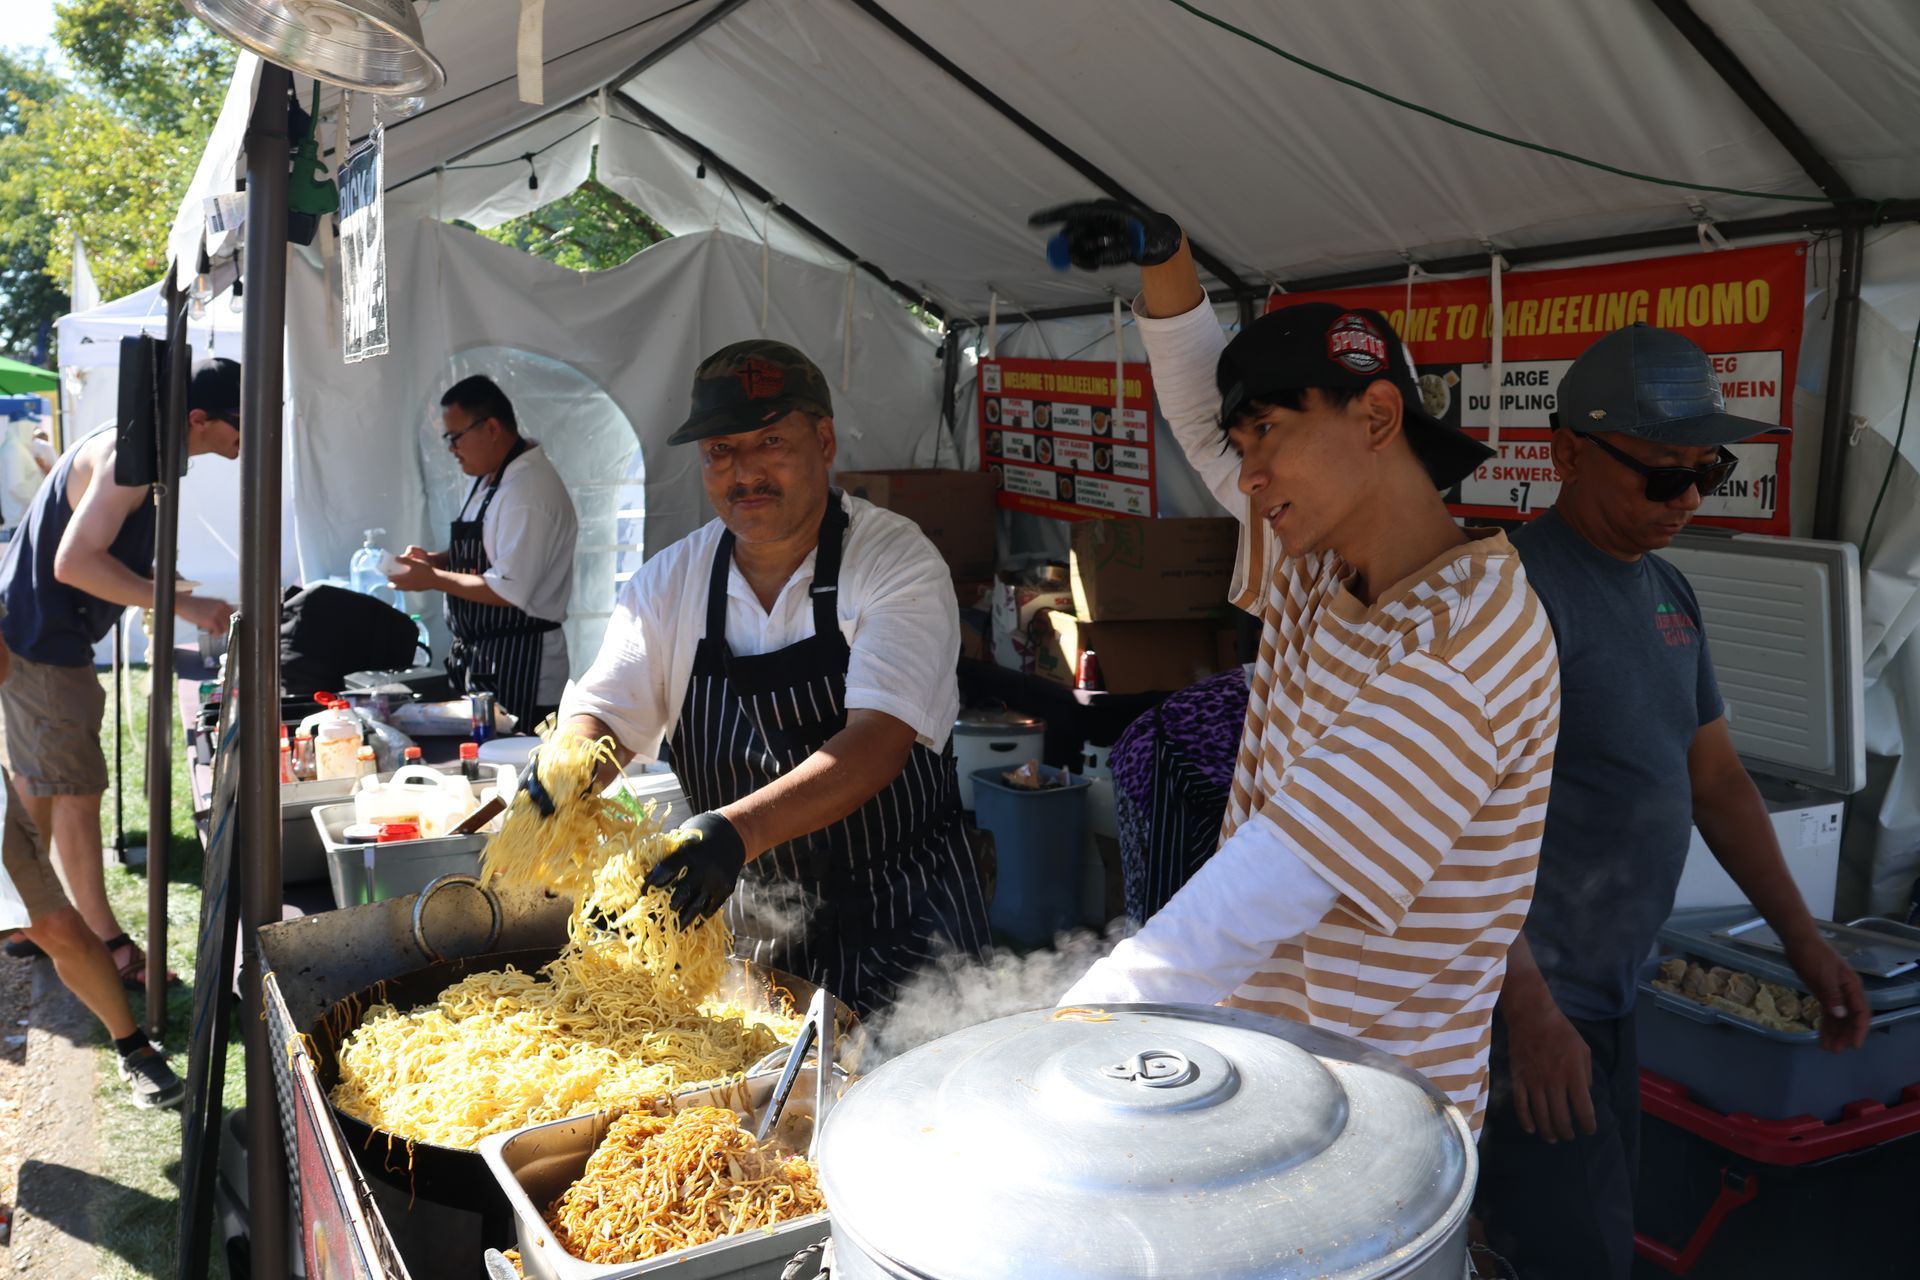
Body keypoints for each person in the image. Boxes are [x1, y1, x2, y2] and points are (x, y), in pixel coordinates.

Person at [1039, 200, 1560, 1133]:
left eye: (1268, 436)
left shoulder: (1465, 645)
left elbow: (1274, 877)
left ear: (1378, 416)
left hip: (1376, 1125)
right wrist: (1167, 258)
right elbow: (1206, 412)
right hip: (1276, 1079)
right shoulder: (1317, 560)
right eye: (1242, 450)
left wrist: (1057, 1041)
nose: (1245, 476)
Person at [1473, 324, 1870, 1279]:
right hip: (1517, 1007)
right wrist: (1526, 1014)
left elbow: (1716, 780)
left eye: (1709, 470)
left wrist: (1804, 943)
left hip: (1611, 998)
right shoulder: (1503, 596)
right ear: (1566, 451)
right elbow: (1453, 829)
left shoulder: (1668, 590)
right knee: (1568, 1255)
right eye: (1661, 474)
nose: (1688, 497)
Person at [546, 340, 990, 1016]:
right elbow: (605, 714)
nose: (745, 472)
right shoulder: (672, 580)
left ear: (824, 440)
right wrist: (560, 782)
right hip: (755, 924)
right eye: (720, 451)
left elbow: (878, 741)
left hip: (908, 916)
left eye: (771, 441)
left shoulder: (896, 561)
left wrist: (732, 832)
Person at [0, 358, 238, 994]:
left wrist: (171, 587)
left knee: (43, 780)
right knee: (76, 791)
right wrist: (179, 602)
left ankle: (22, 920)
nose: (249, 435)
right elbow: (74, 562)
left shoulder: (134, 444)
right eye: (242, 422)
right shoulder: (132, 457)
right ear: (199, 418)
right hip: (42, 639)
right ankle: (103, 940)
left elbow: (100, 548)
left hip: (30, 633)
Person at [389, 376, 578, 728]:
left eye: (454, 437)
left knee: (514, 767)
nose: (451, 448)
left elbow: (509, 589)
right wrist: (437, 561)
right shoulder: (492, 476)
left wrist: (431, 579)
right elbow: (493, 551)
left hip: (523, 663)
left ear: (491, 427)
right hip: (483, 660)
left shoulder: (528, 491)